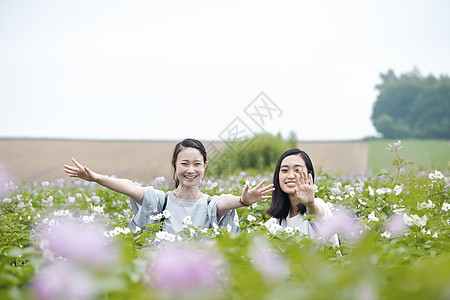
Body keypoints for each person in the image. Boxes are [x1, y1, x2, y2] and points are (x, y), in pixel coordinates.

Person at [64, 138, 274, 234]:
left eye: (196, 164)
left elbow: (225, 202)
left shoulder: (210, 204)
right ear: (174, 165)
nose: (190, 170)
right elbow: (129, 186)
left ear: (205, 166)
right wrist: (95, 177)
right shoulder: (160, 201)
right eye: (184, 163)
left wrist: (243, 201)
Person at [265, 148, 339, 247]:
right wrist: (244, 201)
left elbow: (317, 214)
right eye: (284, 170)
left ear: (310, 176)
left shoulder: (318, 205)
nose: (291, 176)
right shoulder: (277, 221)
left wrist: (310, 205)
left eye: (297, 170)